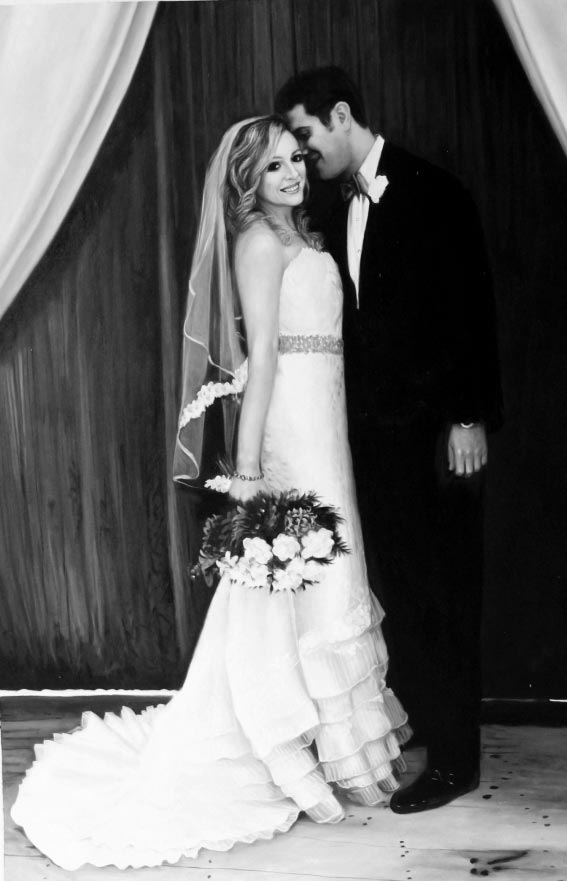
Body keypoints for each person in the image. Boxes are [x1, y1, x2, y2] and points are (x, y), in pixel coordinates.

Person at [10, 116, 411, 871]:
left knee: (331, 573)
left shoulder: (303, 235)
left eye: (296, 160)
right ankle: (293, 749)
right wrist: (251, 467)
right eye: (274, 167)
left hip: (328, 421)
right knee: (302, 579)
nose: (293, 174)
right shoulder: (258, 243)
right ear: (246, 182)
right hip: (292, 424)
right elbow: (262, 364)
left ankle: (339, 749)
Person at [275, 67, 503, 814]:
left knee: (446, 589)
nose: (302, 155)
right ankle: (433, 727)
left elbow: (471, 307)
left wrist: (467, 416)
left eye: (306, 136)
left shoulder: (435, 191)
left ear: (342, 115)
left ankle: (457, 762)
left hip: (439, 434)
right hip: (373, 439)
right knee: (403, 588)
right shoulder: (335, 204)